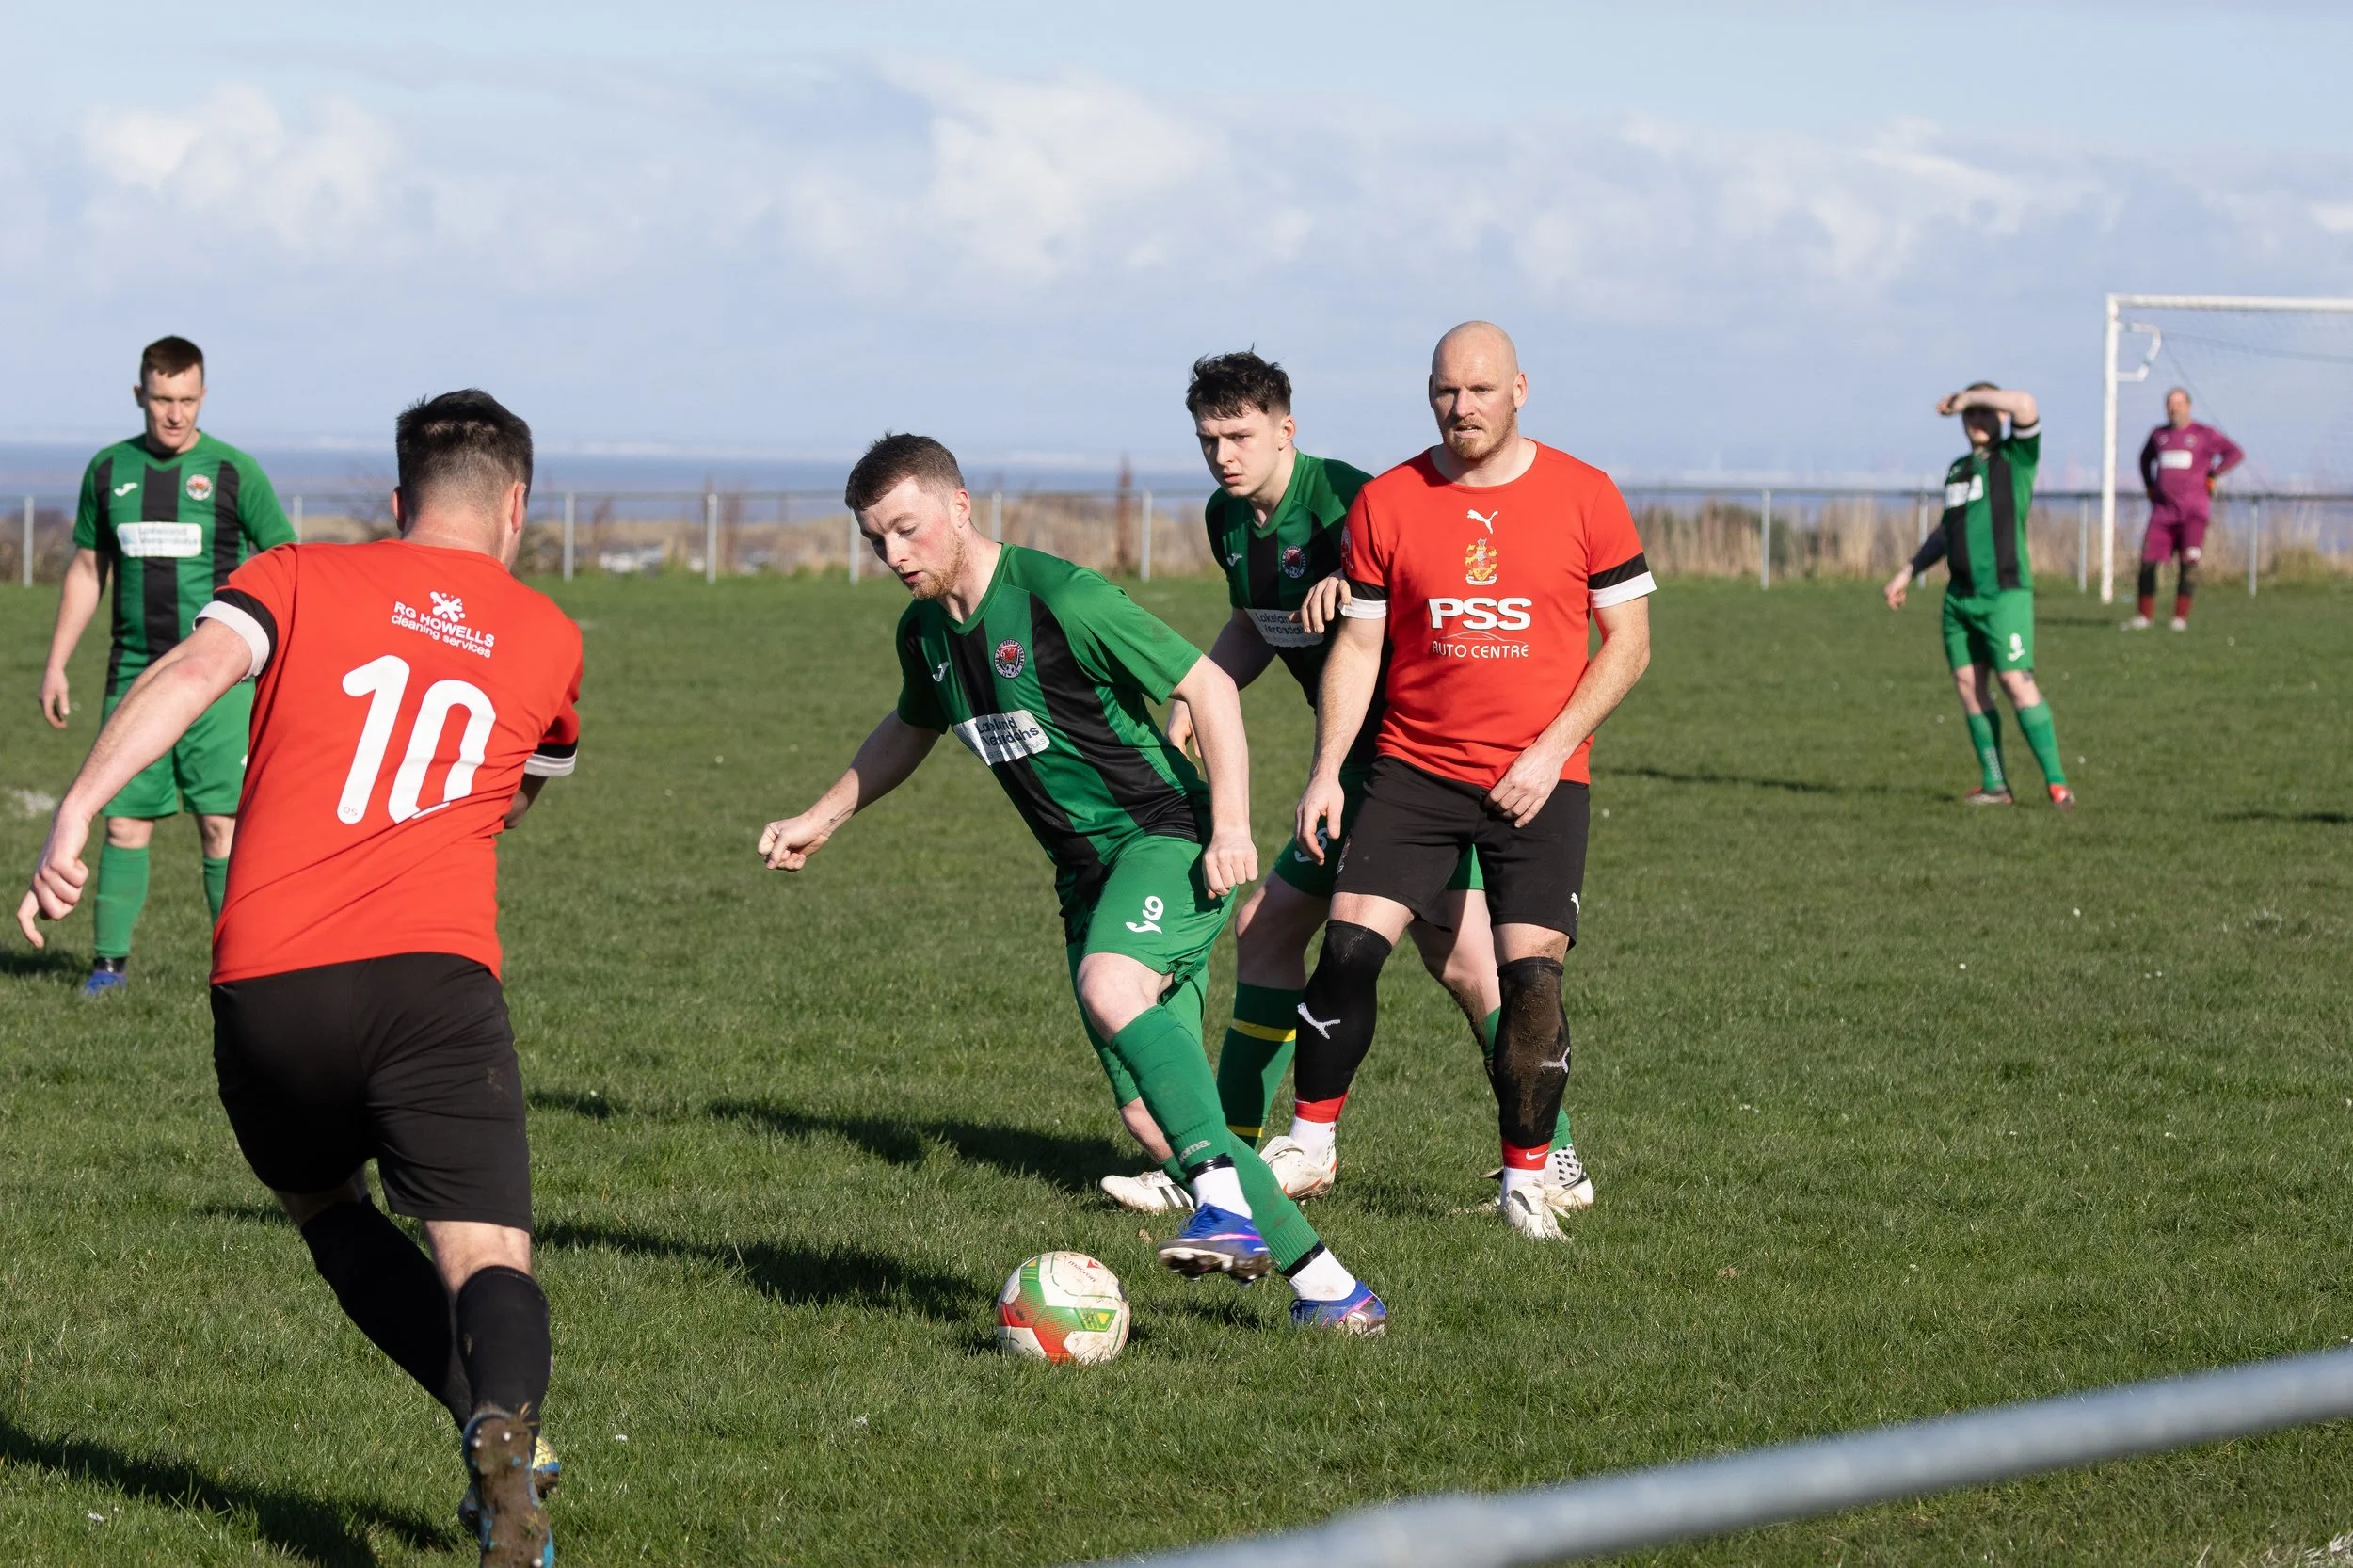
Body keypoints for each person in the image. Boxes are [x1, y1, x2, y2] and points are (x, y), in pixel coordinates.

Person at [18, 390, 583, 1568]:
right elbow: (522, 788)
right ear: (517, 505)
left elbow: (187, 671)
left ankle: (487, 1445)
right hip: (436, 981)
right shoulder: (547, 634)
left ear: (397, 500)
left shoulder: (295, 574)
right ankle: (502, 1431)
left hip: (272, 980)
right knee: (486, 1257)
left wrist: (80, 806)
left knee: (327, 1207)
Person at [757, 433, 1385, 1334]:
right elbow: (909, 727)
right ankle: (1332, 1291)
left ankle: (1220, 1199)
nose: (894, 556)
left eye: (906, 529)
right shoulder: (926, 634)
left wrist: (1236, 829)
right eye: (875, 540)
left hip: (1166, 838)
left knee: (1111, 986)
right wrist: (823, 816)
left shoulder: (1057, 594)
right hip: (1085, 875)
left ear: (959, 507)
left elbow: (1210, 689)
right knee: (1154, 1113)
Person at [1098, 351, 1592, 1219]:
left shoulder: (1353, 501)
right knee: (1436, 957)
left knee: (1340, 938)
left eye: (1240, 435)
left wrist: (1364, 583)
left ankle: (1228, 1160)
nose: (1223, 456)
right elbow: (1260, 621)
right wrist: (1201, 687)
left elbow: (1442, 591)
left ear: (1287, 430)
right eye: (1209, 439)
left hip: (1411, 765)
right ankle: (1546, 1160)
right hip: (1362, 770)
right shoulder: (1228, 520)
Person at [1283, 322, 1654, 1243]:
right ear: (1428, 393)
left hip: (1541, 776)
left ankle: (1525, 1181)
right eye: (1448, 392)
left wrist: (1549, 749)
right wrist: (1328, 770)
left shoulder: (1585, 494)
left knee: (1530, 979)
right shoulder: (1391, 501)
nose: (1464, 408)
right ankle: (1310, 1143)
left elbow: (1630, 646)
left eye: (1482, 390)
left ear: (1519, 389)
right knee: (1349, 949)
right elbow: (1359, 644)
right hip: (1413, 768)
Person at [40, 336, 296, 996]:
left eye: (186, 400)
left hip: (221, 683)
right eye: (162, 400)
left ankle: (233, 968)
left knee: (221, 825)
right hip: (133, 677)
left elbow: (288, 564)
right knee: (123, 822)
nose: (174, 414)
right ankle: (107, 968)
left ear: (202, 397)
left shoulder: (235, 472)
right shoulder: (108, 471)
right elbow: (89, 568)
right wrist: (57, 663)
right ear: (140, 396)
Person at [1882, 382, 2074, 809]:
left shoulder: (2015, 459)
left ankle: (2058, 784)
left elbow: (2027, 403)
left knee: (2015, 682)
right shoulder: (1958, 469)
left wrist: (1967, 399)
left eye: (1985, 410)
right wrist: (1907, 571)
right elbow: (1948, 531)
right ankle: (1995, 785)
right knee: (1969, 685)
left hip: (2004, 595)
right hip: (1959, 599)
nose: (1976, 419)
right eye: (1971, 414)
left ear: (1998, 415)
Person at [2128, 387, 2243, 631]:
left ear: (2189, 406)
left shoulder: (2204, 434)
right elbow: (2144, 459)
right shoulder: (2158, 435)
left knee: (2189, 563)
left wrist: (2214, 474)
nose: (2174, 408)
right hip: (2162, 513)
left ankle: (2179, 618)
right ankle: (2144, 617)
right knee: (2147, 561)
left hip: (2193, 513)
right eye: (2170, 403)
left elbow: (2235, 453)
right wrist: (2150, 485)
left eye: (2179, 403)